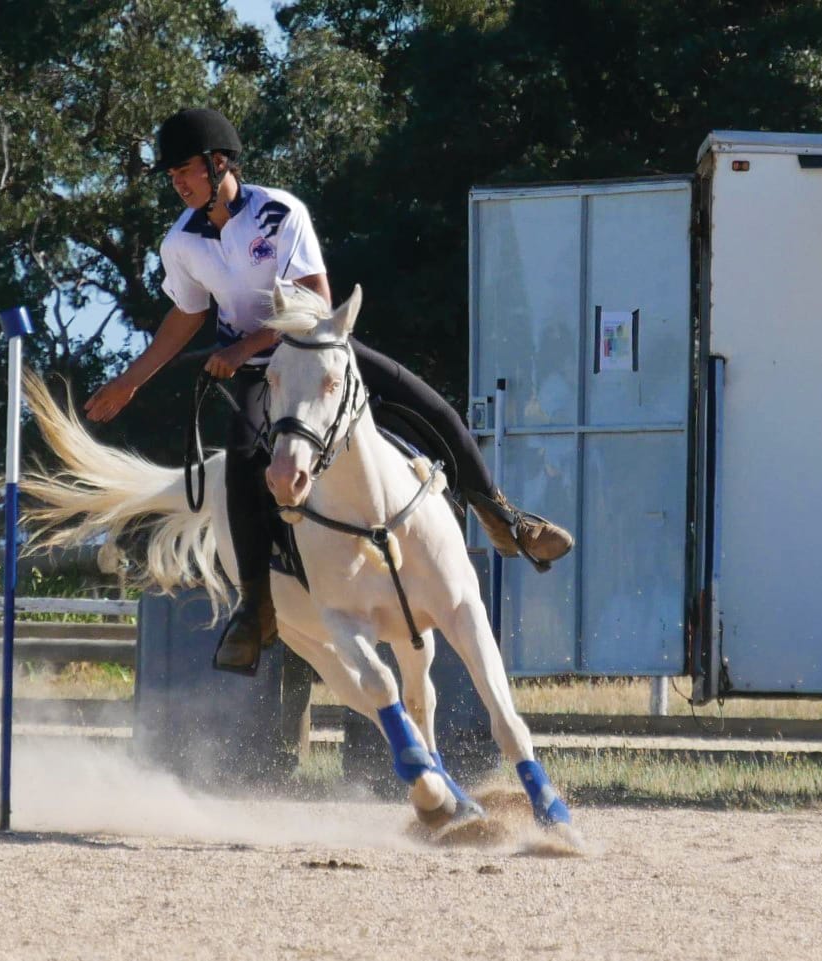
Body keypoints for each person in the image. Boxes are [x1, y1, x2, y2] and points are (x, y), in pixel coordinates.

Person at [85, 107, 573, 675]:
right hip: (257, 376)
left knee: (431, 408)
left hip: (317, 352)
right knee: (242, 466)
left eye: (185, 172)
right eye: (171, 177)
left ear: (220, 164)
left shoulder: (279, 212)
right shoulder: (181, 243)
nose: (178, 183)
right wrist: (130, 381)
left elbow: (316, 299)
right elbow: (186, 315)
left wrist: (242, 347)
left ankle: (503, 517)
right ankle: (256, 606)